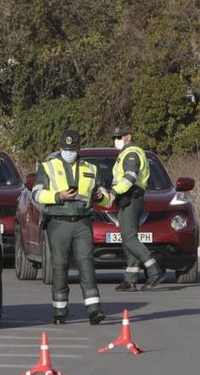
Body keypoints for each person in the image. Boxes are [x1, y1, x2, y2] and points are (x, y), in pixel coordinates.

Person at [33, 129, 112, 325]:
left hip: (83, 222)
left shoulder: (91, 169)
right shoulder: (48, 167)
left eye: (73, 149)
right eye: (66, 149)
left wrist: (100, 197)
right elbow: (36, 194)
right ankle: (59, 311)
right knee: (59, 267)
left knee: (86, 265)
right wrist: (57, 196)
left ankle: (94, 310)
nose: (69, 152)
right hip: (58, 222)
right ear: (61, 148)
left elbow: (107, 199)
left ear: (78, 149)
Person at [110, 125, 166, 291]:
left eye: (119, 137)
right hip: (128, 199)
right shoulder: (126, 153)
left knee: (129, 239)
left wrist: (114, 192)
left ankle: (155, 270)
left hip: (130, 198)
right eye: (114, 138)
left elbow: (130, 176)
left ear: (129, 136)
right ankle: (131, 278)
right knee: (128, 240)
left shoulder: (131, 153)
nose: (116, 141)